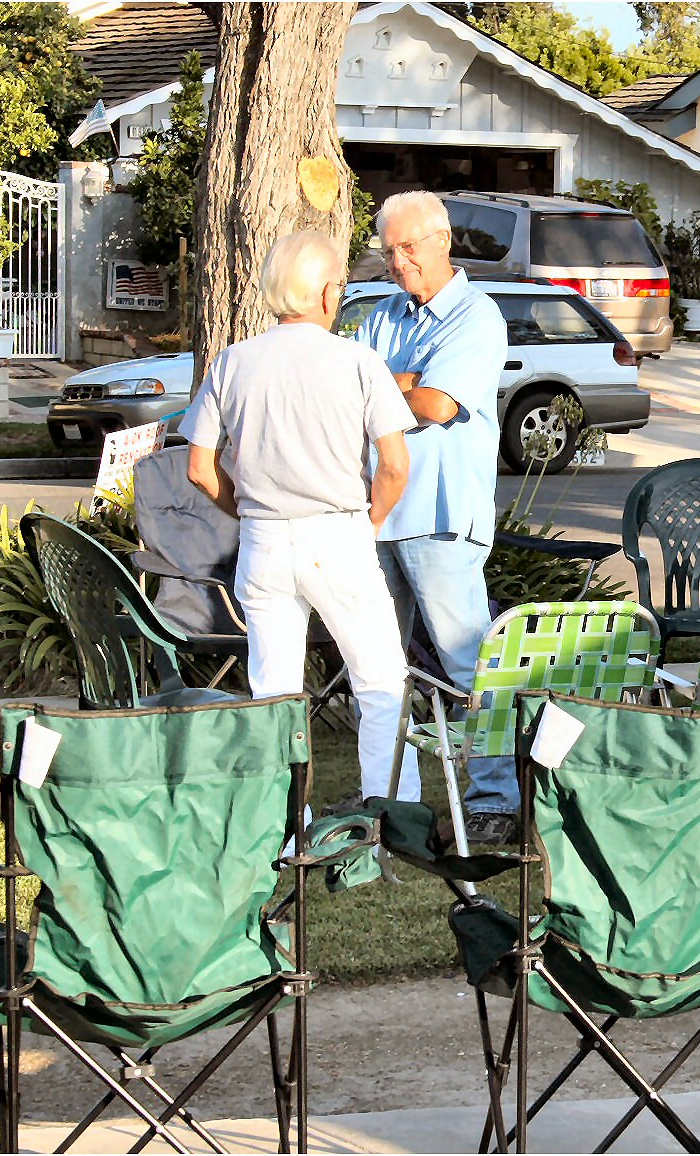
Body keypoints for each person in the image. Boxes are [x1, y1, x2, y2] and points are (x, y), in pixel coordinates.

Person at [182, 230, 414, 804]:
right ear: (328, 293)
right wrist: (371, 522)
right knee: (380, 681)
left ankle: (282, 824)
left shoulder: (233, 362)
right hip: (337, 533)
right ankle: (391, 812)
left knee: (275, 692)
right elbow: (394, 466)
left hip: (264, 540)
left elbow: (199, 468)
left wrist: (247, 510)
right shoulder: (357, 361)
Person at [353, 190, 515, 843]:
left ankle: (496, 801)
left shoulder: (477, 316)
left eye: (408, 247)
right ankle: (394, 797)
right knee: (376, 662)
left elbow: (439, 405)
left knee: (467, 663)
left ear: (442, 241)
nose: (397, 261)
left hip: (442, 517)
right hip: (376, 509)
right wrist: (402, 381)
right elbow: (354, 388)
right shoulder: (382, 315)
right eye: (389, 250)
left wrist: (386, 384)